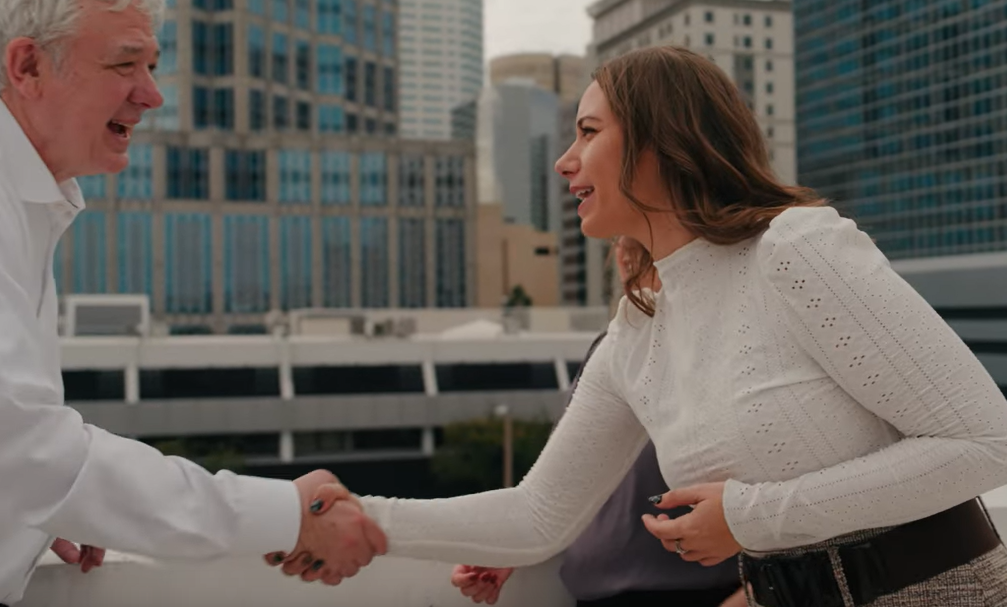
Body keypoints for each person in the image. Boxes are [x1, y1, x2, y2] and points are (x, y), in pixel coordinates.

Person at [280, 46, 1007, 607]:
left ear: (661, 142)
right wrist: (357, 516)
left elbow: (985, 442)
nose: (564, 161)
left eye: (588, 132)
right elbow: (538, 514)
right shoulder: (636, 330)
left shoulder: (795, 249)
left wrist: (751, 516)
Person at [0, 0, 383, 606]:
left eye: (151, 65)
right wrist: (283, 515)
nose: (152, 94)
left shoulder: (3, 190)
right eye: (124, 64)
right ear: (27, 66)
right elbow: (16, 444)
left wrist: (29, 521)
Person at [451, 238, 743, 607]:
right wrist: (517, 549)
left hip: (701, 592)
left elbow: (789, 506)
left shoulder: (731, 350)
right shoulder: (612, 349)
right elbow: (563, 489)